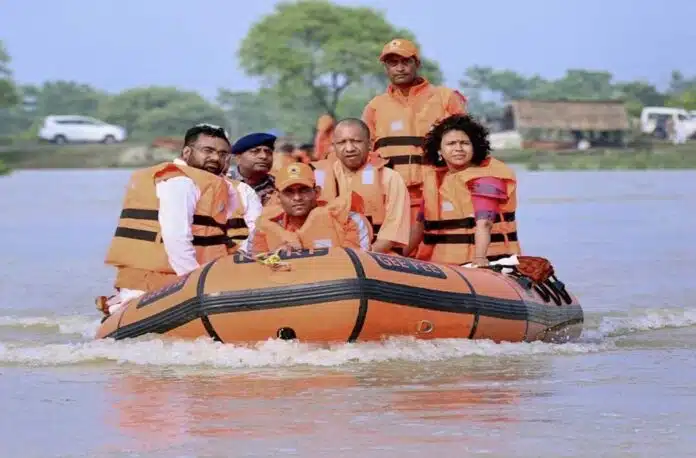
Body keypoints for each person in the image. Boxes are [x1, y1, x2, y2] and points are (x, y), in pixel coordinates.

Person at [99, 124, 233, 314]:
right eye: (207, 151)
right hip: (153, 284)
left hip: (174, 278)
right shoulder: (180, 182)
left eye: (222, 154)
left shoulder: (212, 185)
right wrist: (195, 282)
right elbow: (175, 236)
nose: (215, 158)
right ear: (187, 152)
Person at [362, 38, 468, 224]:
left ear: (416, 63)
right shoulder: (375, 106)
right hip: (393, 195)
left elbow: (469, 145)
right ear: (386, 67)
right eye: (393, 63)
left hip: (439, 192)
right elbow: (365, 154)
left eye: (405, 62)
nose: (400, 68)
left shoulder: (445, 98)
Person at [406, 114, 521, 267]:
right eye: (451, 143)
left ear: (475, 147)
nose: (458, 148)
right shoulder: (436, 181)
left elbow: (484, 223)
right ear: (439, 149)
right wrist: (399, 255)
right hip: (440, 266)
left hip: (482, 263)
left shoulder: (486, 177)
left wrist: (480, 258)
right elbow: (419, 227)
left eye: (465, 143)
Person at [312, 118, 410, 254]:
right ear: (333, 146)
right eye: (341, 142)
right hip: (329, 257)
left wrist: (362, 259)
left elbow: (391, 234)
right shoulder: (318, 177)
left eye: (356, 141)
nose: (349, 148)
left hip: (377, 257)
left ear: (370, 144)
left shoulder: (390, 178)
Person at [250, 162, 372, 253]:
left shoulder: (348, 220)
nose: (297, 198)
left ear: (317, 192)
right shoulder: (263, 230)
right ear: (277, 197)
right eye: (289, 192)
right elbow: (254, 269)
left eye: (304, 190)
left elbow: (359, 263)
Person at [227, 132, 278, 206]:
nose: (264, 156)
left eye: (268, 152)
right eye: (255, 151)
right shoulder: (225, 182)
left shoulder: (278, 185)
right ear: (238, 158)